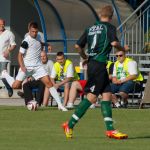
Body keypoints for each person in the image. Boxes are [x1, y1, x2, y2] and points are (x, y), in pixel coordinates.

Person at [62, 5, 128, 139]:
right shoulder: (109, 27)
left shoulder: (90, 28)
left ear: (99, 15)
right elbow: (115, 44)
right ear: (111, 16)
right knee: (92, 97)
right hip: (98, 65)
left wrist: (86, 57)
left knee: (107, 95)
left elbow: (77, 46)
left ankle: (110, 130)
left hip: (94, 64)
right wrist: (124, 49)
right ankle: (69, 124)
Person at [1, 21, 67, 111]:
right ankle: (5, 74)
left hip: (38, 67)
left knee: (49, 83)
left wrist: (47, 44)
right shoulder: (25, 41)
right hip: (27, 67)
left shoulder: (38, 37)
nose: (34, 33)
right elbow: (19, 55)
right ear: (29, 30)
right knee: (15, 86)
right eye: (33, 31)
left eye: (36, 31)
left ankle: (60, 105)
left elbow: (39, 43)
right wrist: (22, 66)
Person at [0, 18, 16, 97]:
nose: (1, 26)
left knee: (3, 75)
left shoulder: (9, 33)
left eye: (3, 24)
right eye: (0, 24)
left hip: (3, 58)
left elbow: (13, 45)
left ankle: (9, 88)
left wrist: (8, 51)